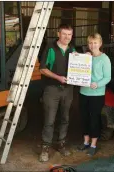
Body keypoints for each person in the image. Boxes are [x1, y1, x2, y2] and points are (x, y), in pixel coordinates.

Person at [38, 24, 76, 162]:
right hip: (52, 89)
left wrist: (86, 56)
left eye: (69, 34)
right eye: (64, 34)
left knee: (65, 118)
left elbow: (79, 65)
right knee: (49, 119)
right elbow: (42, 69)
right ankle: (45, 147)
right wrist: (58, 77)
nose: (67, 37)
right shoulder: (50, 47)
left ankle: (61, 143)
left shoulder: (72, 49)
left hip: (68, 89)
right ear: (58, 33)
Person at [77, 33, 111, 156]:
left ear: (100, 44)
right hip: (83, 92)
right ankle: (85, 142)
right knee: (84, 117)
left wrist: (98, 84)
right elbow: (76, 66)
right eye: (90, 43)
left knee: (94, 118)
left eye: (95, 42)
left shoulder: (105, 59)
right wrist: (79, 57)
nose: (93, 45)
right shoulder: (85, 57)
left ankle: (93, 144)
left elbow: (108, 77)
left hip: (97, 94)